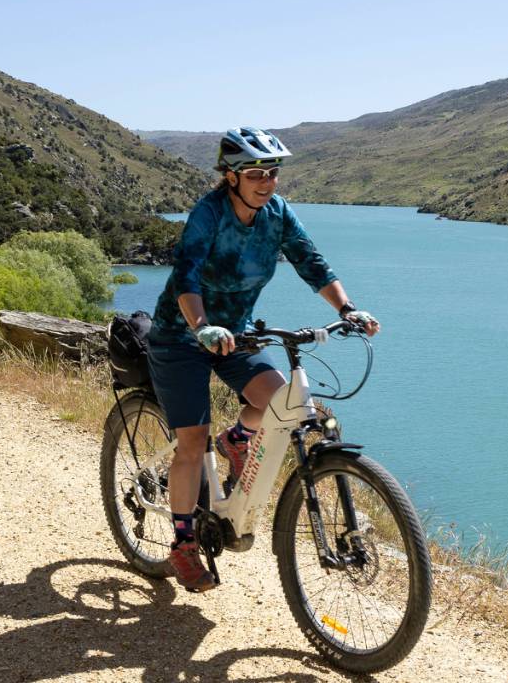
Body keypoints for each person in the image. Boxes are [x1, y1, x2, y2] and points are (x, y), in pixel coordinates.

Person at [145, 126, 380, 592]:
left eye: (272, 173)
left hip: (237, 336)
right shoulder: (208, 214)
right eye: (255, 173)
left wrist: (347, 310)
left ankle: (238, 440)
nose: (267, 181)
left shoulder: (277, 214)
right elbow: (187, 276)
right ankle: (183, 543)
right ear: (231, 176)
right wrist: (200, 327)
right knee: (192, 443)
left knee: (280, 402)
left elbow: (311, 262)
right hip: (182, 336)